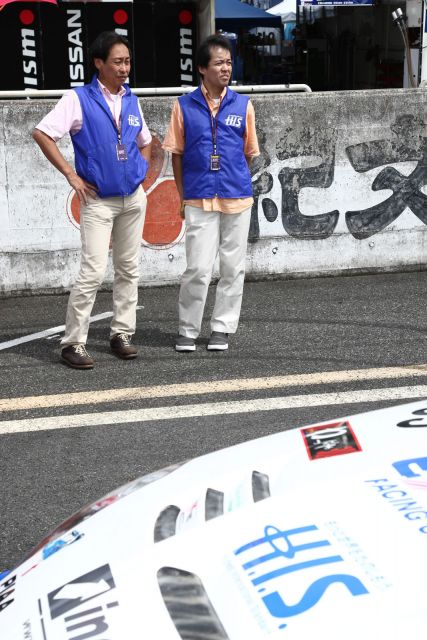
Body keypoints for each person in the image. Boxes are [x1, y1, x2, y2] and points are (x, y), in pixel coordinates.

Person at [33, 31, 151, 370]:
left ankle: (122, 334)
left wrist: (140, 169)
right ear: (98, 63)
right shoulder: (77, 98)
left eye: (127, 61)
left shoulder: (131, 99)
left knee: (129, 269)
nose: (124, 68)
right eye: (117, 61)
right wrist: (71, 176)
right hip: (98, 200)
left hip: (132, 197)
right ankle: (73, 343)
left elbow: (145, 140)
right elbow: (42, 133)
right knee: (93, 271)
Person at [163, 34, 259, 353]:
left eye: (229, 62)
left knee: (233, 267)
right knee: (198, 268)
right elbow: (175, 153)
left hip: (237, 196)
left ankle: (222, 328)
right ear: (202, 68)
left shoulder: (243, 106)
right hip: (198, 197)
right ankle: (188, 329)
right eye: (218, 62)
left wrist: (231, 175)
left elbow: (248, 153)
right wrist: (181, 195)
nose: (226, 68)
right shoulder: (184, 106)